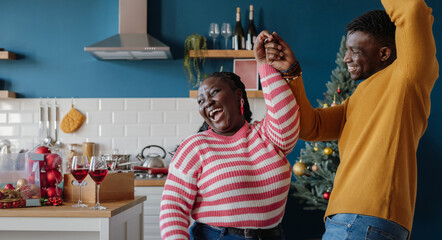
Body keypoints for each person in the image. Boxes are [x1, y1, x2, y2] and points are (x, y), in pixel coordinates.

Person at [262, 0, 438, 239]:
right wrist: (292, 71)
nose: (346, 59)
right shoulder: (357, 98)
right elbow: (309, 127)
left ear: (384, 53)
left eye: (354, 50)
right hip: (357, 220)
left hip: (361, 219)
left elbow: (413, 9)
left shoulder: (406, 77)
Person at [159, 37, 301, 239]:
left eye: (214, 92)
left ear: (237, 96)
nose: (207, 103)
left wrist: (264, 66)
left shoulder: (267, 135)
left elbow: (285, 111)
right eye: (200, 101)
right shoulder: (196, 146)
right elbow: (173, 207)